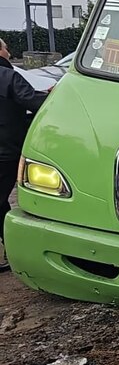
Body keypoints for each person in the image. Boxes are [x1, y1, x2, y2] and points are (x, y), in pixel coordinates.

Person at [0, 39, 48, 272]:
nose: (9, 52)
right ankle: (11, 246)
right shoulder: (8, 77)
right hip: (6, 152)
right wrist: (54, 97)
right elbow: (33, 102)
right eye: (7, 48)